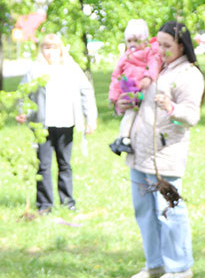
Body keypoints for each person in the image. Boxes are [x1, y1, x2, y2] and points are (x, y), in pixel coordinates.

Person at [120, 21, 205, 278]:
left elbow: (191, 116)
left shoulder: (189, 74)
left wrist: (171, 108)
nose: (161, 50)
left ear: (182, 46)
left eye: (167, 45)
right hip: (139, 152)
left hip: (165, 155)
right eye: (158, 44)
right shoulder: (154, 67)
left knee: (169, 211)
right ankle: (155, 264)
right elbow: (139, 103)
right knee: (144, 212)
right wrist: (124, 103)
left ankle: (180, 267)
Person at [15, 33, 97, 214]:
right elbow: (23, 93)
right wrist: (23, 112)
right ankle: (45, 204)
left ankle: (68, 202)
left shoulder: (71, 68)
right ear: (41, 50)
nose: (50, 52)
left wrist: (90, 118)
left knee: (64, 164)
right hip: (42, 125)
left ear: (60, 49)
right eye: (46, 48)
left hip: (65, 122)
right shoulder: (35, 69)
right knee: (43, 165)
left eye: (54, 48)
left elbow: (86, 91)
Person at [108, 18, 162, 155]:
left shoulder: (149, 52)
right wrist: (114, 97)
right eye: (129, 41)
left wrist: (148, 77)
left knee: (141, 114)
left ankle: (124, 138)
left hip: (142, 89)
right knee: (129, 113)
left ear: (145, 41)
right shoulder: (125, 57)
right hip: (129, 90)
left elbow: (154, 64)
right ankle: (123, 138)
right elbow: (116, 76)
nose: (132, 44)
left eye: (136, 41)